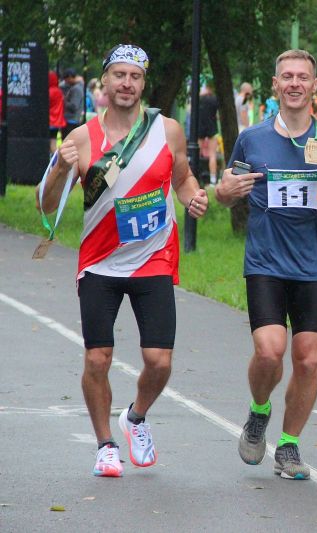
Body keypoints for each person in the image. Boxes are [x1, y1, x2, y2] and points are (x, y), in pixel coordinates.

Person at [36, 44, 209, 478]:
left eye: (134, 76)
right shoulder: (81, 138)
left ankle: (135, 417)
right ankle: (105, 445)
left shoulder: (167, 130)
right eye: (119, 75)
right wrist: (60, 169)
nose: (126, 84)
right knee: (98, 359)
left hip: (153, 259)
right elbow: (47, 205)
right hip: (100, 264)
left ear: (143, 83)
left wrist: (193, 197)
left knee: (159, 360)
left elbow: (183, 177)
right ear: (105, 81)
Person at [214, 49, 317, 480]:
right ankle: (259, 411)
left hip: (313, 264)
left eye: (303, 77)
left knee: (309, 359)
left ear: (315, 86)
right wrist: (224, 192)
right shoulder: (252, 139)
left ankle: (289, 445)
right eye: (287, 77)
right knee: (270, 350)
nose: (295, 84)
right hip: (266, 261)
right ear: (275, 85)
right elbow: (226, 192)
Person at [197, 82, 220, 184]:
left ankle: (195, 175)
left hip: (200, 127)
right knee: (212, 154)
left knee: (196, 154)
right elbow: (217, 115)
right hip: (212, 127)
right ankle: (213, 179)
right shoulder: (215, 99)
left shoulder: (199, 99)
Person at [61, 68, 84, 137]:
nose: (65, 81)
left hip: (71, 121)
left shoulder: (76, 89)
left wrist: (63, 101)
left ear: (70, 77)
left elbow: (74, 106)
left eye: (66, 79)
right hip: (73, 120)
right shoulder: (77, 87)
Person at [48, 71, 66, 155]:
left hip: (49, 120)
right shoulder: (59, 91)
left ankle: (56, 160)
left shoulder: (49, 92)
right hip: (57, 121)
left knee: (51, 144)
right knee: (54, 142)